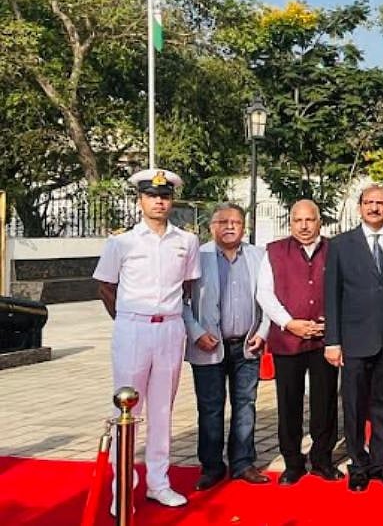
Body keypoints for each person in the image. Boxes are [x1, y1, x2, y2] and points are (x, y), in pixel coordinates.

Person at [93, 168, 199, 511]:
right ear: (140, 200)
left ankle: (158, 482)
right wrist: (128, 318)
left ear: (172, 200)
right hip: (133, 329)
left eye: (165, 196)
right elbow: (106, 286)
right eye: (152, 196)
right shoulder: (121, 241)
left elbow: (188, 285)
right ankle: (121, 486)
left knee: (163, 409)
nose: (159, 202)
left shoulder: (186, 241)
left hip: (170, 328)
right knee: (126, 407)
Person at [324, 185, 383, 492]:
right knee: (353, 405)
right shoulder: (340, 245)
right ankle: (358, 465)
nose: (375, 208)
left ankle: (380, 463)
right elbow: (332, 295)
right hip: (354, 340)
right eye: (369, 203)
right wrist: (333, 341)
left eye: (381, 203)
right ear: (359, 206)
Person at [183, 203, 270, 490]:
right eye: (223, 222)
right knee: (210, 407)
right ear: (211, 227)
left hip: (247, 345)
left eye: (236, 222)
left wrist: (263, 331)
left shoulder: (259, 256)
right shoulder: (199, 256)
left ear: (244, 227)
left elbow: (269, 298)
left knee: (246, 405)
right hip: (208, 346)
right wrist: (196, 333)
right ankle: (211, 466)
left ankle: (243, 463)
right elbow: (180, 300)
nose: (230, 226)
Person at [256, 199, 343, 485]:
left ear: (320, 222)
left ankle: (322, 459)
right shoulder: (274, 251)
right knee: (289, 402)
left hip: (324, 339)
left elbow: (346, 288)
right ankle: (293, 462)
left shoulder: (335, 250)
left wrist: (334, 322)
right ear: (290, 223)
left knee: (325, 402)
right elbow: (264, 294)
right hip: (288, 338)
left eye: (310, 220)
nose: (304, 226)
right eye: (298, 220)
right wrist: (289, 323)